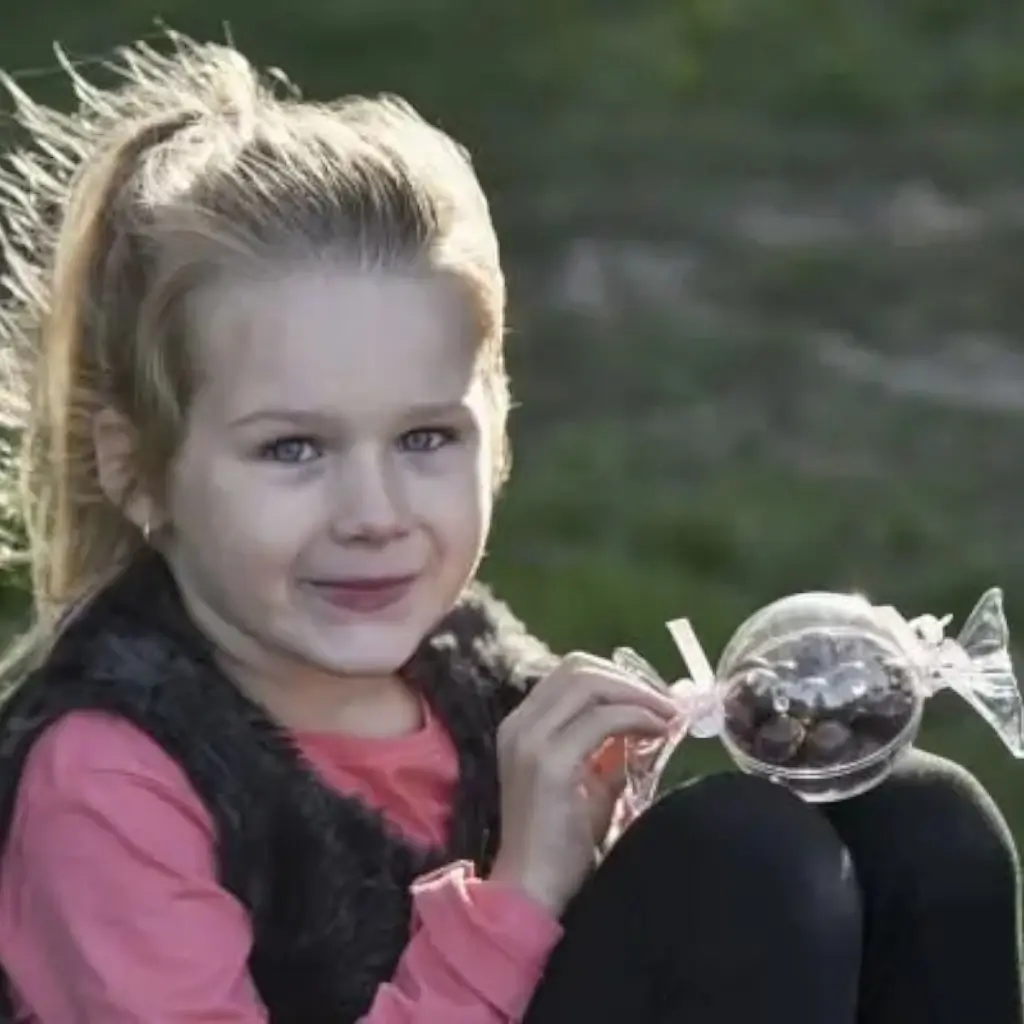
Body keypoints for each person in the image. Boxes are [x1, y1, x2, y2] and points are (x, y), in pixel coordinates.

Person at [0, 33, 1018, 1024]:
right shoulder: (109, 782)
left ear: (496, 432)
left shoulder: (475, 685)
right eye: (292, 450)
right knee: (742, 863)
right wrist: (521, 892)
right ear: (137, 470)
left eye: (424, 437)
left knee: (923, 826)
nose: (375, 514)